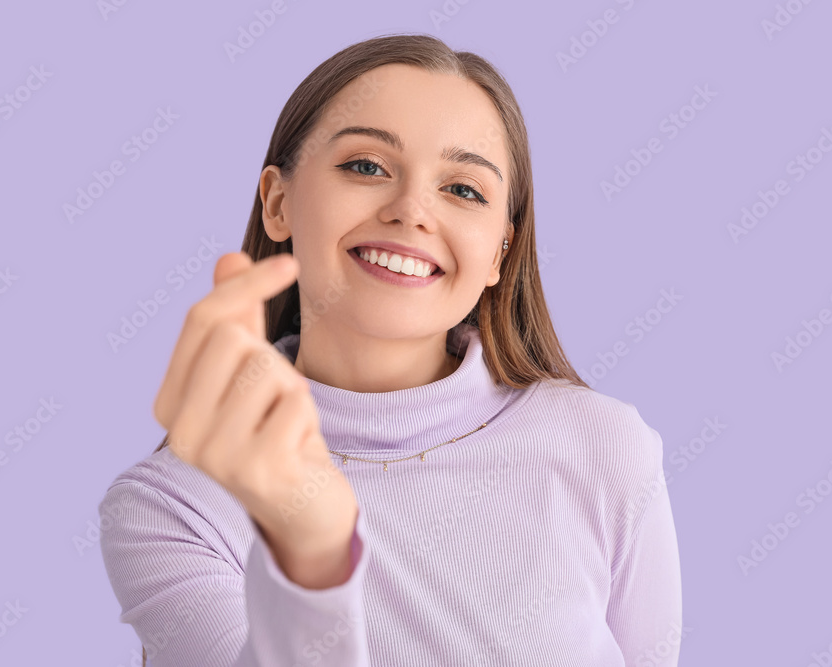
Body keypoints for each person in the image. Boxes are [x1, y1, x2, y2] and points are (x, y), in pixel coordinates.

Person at [97, 32, 682, 667]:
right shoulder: (172, 507)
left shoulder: (605, 447)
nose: (411, 211)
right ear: (278, 202)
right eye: (366, 166)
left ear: (499, 252)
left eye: (463, 189)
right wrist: (310, 554)